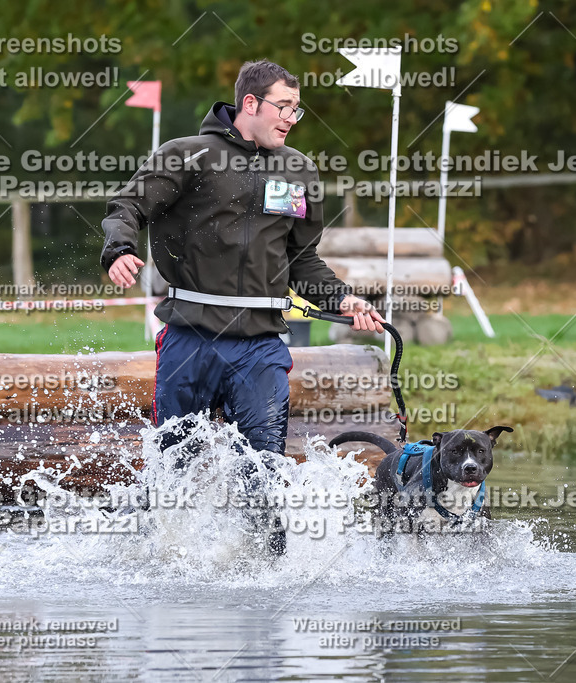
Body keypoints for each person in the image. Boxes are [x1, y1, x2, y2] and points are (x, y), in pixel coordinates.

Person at [101, 60, 383, 552]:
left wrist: (343, 297)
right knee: (173, 466)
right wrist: (119, 249)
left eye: (297, 109)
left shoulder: (298, 169)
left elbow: (302, 259)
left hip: (259, 346)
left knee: (265, 469)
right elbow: (127, 207)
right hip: (191, 339)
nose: (291, 118)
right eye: (283, 106)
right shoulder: (187, 155)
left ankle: (266, 573)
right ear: (249, 104)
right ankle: (149, 558)